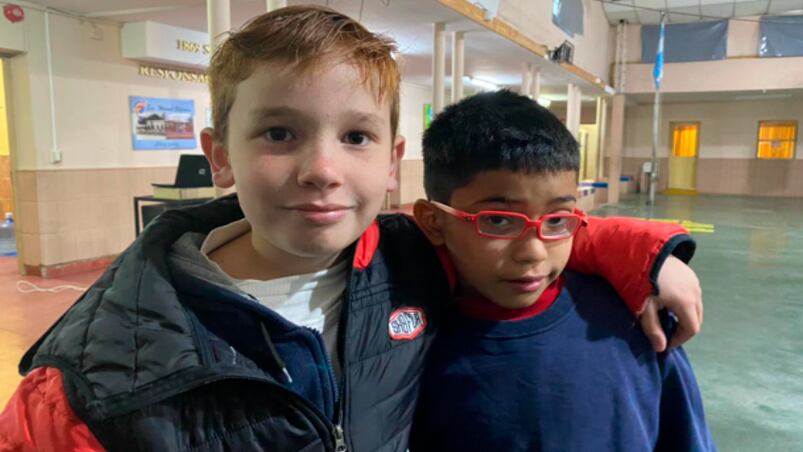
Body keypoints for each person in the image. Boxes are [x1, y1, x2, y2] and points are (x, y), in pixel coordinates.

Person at [0, 6, 701, 451]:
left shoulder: (413, 259)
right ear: (219, 156)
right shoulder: (90, 381)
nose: (322, 170)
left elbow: (519, 234)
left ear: (394, 163)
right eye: (280, 132)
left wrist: (647, 254)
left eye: (357, 137)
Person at [410, 90, 715, 451]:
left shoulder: (637, 320)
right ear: (433, 222)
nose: (533, 252)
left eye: (557, 220)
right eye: (497, 220)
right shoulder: (402, 340)